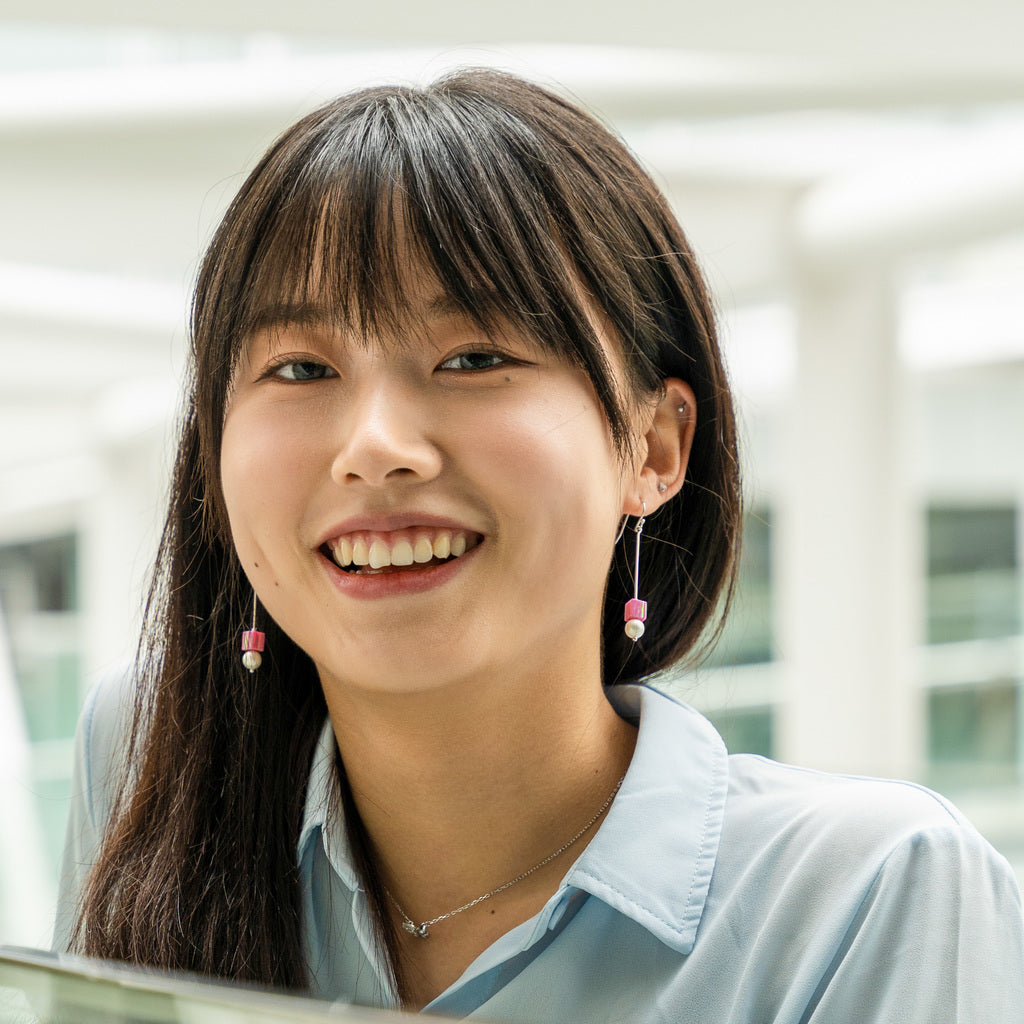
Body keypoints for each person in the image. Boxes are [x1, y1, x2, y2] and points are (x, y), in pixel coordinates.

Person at [55, 68, 1024, 1021]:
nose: (376, 447)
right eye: (300, 367)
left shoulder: (871, 905)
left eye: (473, 357)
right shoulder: (151, 762)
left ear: (653, 445)